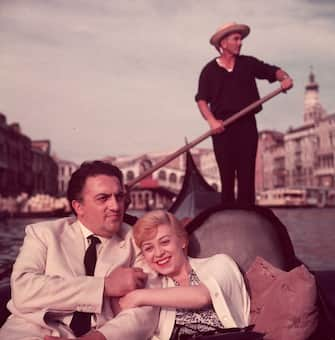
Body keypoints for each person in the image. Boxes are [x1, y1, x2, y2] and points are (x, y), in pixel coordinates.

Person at [0, 161, 159, 340]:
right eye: (103, 198)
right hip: (32, 331)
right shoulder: (43, 234)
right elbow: (23, 291)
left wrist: (98, 337)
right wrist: (104, 286)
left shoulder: (138, 241)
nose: (116, 206)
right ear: (78, 207)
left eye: (119, 196)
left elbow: (148, 309)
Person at [195, 22, 293, 205]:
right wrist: (212, 121)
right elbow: (201, 100)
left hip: (247, 126)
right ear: (223, 43)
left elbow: (272, 71)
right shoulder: (209, 71)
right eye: (236, 39)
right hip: (222, 129)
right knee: (227, 178)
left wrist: (285, 78)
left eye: (241, 39)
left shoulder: (248, 63)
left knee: (247, 177)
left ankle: (248, 216)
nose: (240, 43)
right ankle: (228, 217)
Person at [118, 210, 250, 340]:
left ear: (183, 241)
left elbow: (201, 296)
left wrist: (138, 296)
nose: (158, 253)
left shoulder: (219, 263)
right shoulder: (153, 285)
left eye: (164, 242)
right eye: (149, 248)